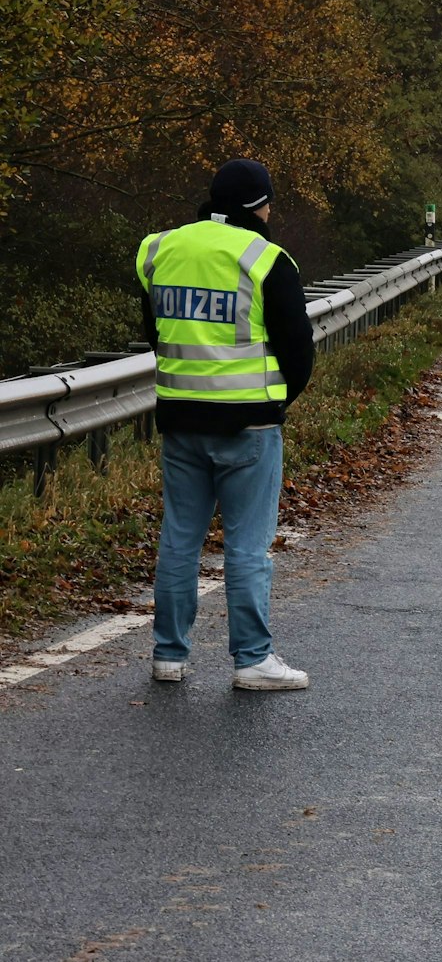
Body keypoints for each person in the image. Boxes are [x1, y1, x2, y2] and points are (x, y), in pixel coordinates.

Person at [136, 159, 315, 690]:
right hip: (249, 428)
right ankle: (252, 660)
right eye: (269, 203)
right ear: (257, 204)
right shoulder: (266, 259)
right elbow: (297, 350)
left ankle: (168, 655)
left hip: (180, 419)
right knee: (246, 546)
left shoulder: (157, 249)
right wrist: (275, 403)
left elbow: (156, 331)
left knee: (180, 539)